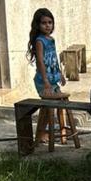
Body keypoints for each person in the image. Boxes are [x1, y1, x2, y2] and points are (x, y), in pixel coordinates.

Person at [26, 8, 66, 144]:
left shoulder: (51, 40)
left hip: (54, 79)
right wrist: (45, 80)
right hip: (44, 81)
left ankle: (61, 131)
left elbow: (54, 58)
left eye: (50, 22)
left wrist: (60, 74)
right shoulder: (39, 41)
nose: (48, 25)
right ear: (38, 25)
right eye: (44, 23)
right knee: (48, 107)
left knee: (56, 105)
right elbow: (40, 62)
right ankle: (41, 133)